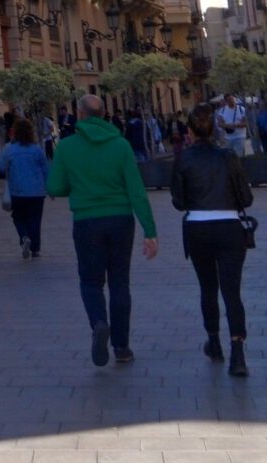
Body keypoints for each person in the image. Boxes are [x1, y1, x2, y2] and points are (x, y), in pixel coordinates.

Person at [47, 95, 159, 367]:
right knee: (119, 282)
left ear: (80, 114)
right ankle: (122, 347)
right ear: (104, 113)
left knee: (90, 281)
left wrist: (77, 185)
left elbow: (55, 187)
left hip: (86, 221)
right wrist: (150, 231)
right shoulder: (121, 145)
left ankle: (98, 322)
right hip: (121, 219)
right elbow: (136, 190)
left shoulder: (67, 147)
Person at [168, 110, 255, 377]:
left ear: (190, 132)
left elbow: (178, 201)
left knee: (207, 288)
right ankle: (238, 354)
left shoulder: (183, 158)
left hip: (198, 228)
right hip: (229, 227)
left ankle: (214, 342)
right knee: (232, 291)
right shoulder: (228, 157)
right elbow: (246, 198)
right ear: (214, 130)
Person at [0, 119, 50, 259]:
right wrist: (50, 188)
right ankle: (35, 249)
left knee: (18, 217)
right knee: (35, 219)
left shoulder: (9, 149)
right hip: (37, 191)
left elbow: (0, 167)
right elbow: (45, 170)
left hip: (17, 191)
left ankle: (24, 236)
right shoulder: (36, 149)